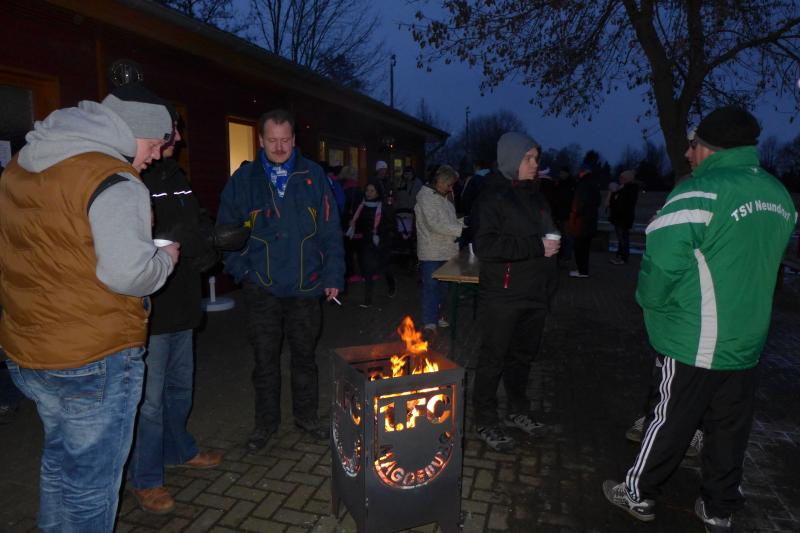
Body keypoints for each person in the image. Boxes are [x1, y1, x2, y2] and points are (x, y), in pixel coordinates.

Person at [602, 106, 797, 532]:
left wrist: (650, 305)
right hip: (747, 342)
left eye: (694, 146)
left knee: (669, 419)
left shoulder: (699, 192)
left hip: (696, 338)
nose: (689, 154)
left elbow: (660, 265)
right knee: (728, 428)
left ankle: (637, 492)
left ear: (710, 148)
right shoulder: (779, 196)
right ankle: (719, 507)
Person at [0, 83, 178, 531]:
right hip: (92, 357)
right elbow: (128, 275)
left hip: (30, 348)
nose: (157, 156)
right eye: (156, 144)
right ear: (137, 131)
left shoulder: (26, 161)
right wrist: (164, 261)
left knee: (60, 461)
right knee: (91, 486)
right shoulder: (113, 179)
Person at [217, 108, 344, 451]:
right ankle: (265, 424)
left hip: (306, 286)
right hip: (262, 288)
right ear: (260, 140)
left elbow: (331, 231)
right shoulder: (244, 180)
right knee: (264, 360)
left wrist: (333, 274)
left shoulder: (313, 175)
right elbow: (225, 233)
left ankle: (306, 417)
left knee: (304, 357)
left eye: (285, 140)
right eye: (272, 140)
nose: (279, 147)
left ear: (294, 139)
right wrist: (243, 272)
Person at [128, 107, 233, 514]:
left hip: (184, 300)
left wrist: (212, 240)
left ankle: (180, 450)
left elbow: (194, 221)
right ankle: (146, 478)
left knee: (179, 388)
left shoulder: (176, 175)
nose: (179, 139)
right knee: (150, 401)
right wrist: (187, 239)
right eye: (173, 131)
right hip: (154, 308)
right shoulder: (134, 176)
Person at [471, 132, 560, 451]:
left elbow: (547, 231)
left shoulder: (536, 195)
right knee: (493, 358)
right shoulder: (491, 197)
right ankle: (485, 419)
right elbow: (486, 246)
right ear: (511, 159)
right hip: (503, 294)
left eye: (536, 158)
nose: (535, 164)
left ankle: (517, 411)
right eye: (528, 158)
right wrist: (537, 246)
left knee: (522, 357)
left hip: (534, 293)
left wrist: (552, 245)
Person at [414, 165, 464, 332]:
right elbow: (434, 224)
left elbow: (449, 221)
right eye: (449, 184)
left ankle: (438, 315)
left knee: (443, 288)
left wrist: (465, 223)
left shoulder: (445, 197)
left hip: (447, 250)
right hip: (431, 251)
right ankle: (429, 320)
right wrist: (460, 229)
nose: (450, 188)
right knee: (431, 286)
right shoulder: (425, 196)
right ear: (440, 181)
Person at [345, 181, 396, 307]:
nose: (369, 193)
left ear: (378, 192)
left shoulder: (384, 207)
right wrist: (352, 224)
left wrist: (379, 231)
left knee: (385, 268)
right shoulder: (361, 206)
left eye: (372, 191)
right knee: (368, 270)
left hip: (381, 242)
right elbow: (359, 223)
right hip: (367, 242)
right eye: (367, 190)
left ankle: (391, 284)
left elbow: (391, 225)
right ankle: (367, 300)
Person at [567, 165, 601, 277]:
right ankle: (583, 270)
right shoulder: (593, 184)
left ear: (582, 172)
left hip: (582, 223)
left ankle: (582, 271)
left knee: (580, 247)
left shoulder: (583, 185)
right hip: (589, 221)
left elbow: (579, 203)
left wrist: (574, 214)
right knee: (585, 248)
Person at [608, 169, 640, 265]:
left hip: (623, 218)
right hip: (620, 217)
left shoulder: (629, 190)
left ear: (628, 179)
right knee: (621, 238)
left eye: (622, 178)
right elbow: (614, 202)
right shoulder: (622, 189)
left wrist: (616, 193)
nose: (620, 179)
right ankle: (620, 256)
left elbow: (623, 204)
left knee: (623, 238)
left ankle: (623, 257)